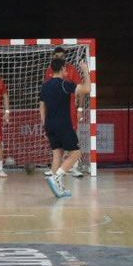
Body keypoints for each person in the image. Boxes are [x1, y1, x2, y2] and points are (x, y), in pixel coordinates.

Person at [40, 45, 87, 177]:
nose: (59, 58)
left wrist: (80, 108)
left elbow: (81, 91)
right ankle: (59, 173)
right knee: (62, 148)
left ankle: (73, 168)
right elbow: (44, 97)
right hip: (56, 112)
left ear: (65, 58)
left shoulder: (71, 70)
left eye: (61, 56)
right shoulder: (49, 72)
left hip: (69, 108)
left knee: (69, 142)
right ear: (53, 58)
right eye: (56, 57)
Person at [39, 57, 82, 198]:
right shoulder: (65, 84)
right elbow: (87, 89)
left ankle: (59, 189)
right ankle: (56, 177)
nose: (67, 71)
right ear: (63, 69)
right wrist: (87, 73)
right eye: (66, 68)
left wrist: (45, 124)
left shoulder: (45, 86)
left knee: (57, 154)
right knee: (76, 154)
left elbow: (41, 106)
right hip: (63, 125)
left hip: (49, 125)